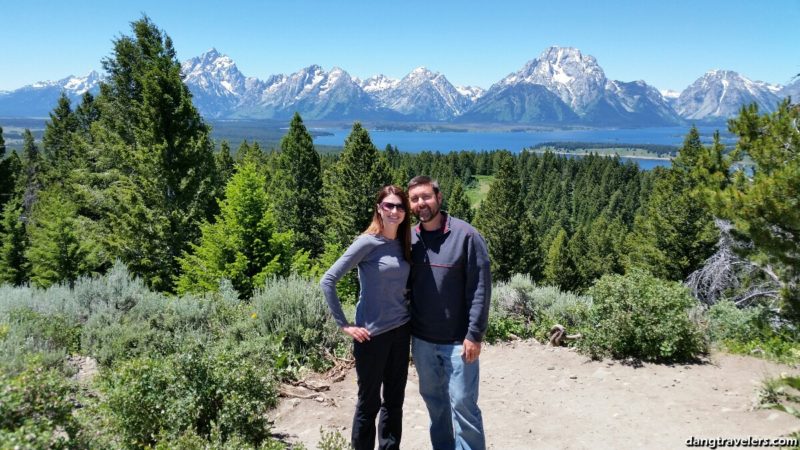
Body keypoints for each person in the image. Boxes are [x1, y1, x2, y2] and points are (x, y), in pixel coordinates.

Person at [320, 185, 413, 450]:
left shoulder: (403, 243)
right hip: (372, 335)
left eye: (399, 206)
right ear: (379, 209)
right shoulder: (367, 242)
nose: (394, 211)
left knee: (394, 402)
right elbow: (328, 280)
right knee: (369, 403)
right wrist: (344, 325)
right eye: (389, 205)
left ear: (405, 212)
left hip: (401, 331)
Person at [407, 175, 491, 450]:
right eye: (415, 199)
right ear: (410, 204)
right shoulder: (409, 239)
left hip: (459, 342)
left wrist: (474, 335)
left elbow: (480, 288)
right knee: (436, 407)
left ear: (439, 198)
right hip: (422, 341)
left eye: (426, 197)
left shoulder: (467, 235)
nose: (422, 203)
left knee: (464, 407)